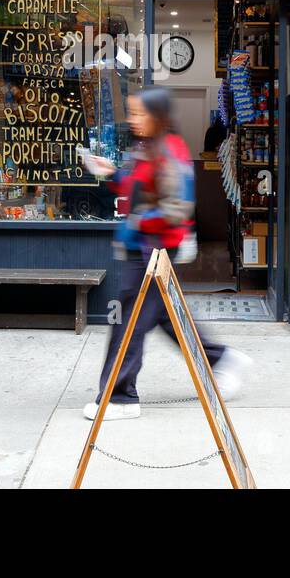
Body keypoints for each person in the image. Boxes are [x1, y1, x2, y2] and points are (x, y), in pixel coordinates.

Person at [80, 86, 252, 421]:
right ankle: (221, 359)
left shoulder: (169, 151)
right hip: (143, 247)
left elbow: (177, 208)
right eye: (131, 112)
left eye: (139, 113)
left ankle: (120, 398)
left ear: (157, 115)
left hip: (153, 249)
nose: (133, 119)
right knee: (159, 316)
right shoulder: (147, 147)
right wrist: (112, 173)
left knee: (129, 322)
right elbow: (136, 188)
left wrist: (138, 222)